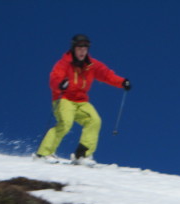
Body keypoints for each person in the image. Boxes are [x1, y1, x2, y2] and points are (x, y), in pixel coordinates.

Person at [34, 34, 131, 165]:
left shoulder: (91, 65)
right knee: (65, 123)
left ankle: (82, 155)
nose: (82, 51)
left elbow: (107, 75)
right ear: (74, 48)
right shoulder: (64, 63)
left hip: (81, 101)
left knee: (94, 121)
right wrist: (60, 84)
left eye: (85, 48)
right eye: (79, 48)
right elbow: (54, 78)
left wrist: (122, 82)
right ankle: (43, 154)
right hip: (63, 99)